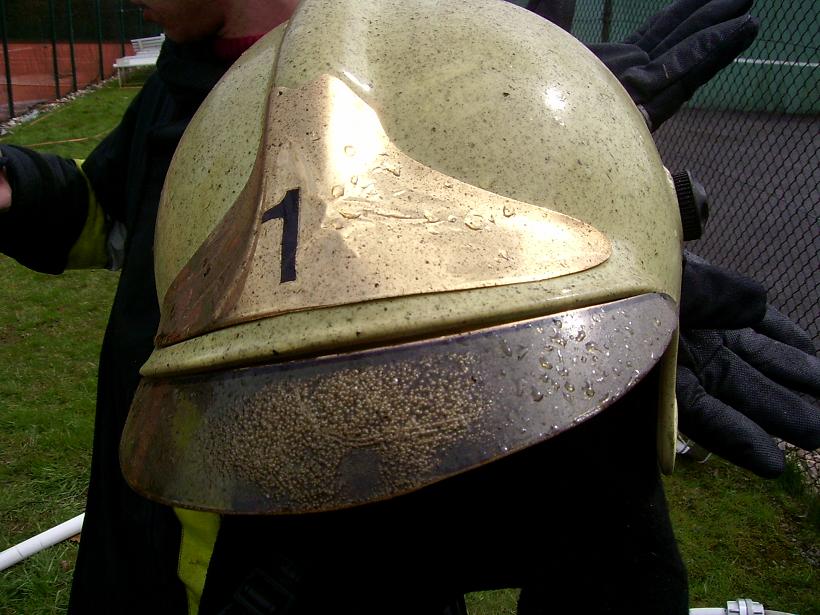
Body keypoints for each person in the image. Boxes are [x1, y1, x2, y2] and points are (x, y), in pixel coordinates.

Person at [0, 0, 815, 613]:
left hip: (300, 564)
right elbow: (108, 216)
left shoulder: (450, 70)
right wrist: (15, 187)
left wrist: (569, 213)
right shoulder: (179, 82)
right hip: (141, 530)